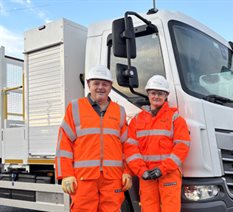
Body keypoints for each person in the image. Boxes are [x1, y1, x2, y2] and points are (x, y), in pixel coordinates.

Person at [55, 65, 132, 211]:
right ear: (88, 84)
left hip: (113, 179)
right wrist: (66, 174)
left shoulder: (119, 111)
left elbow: (127, 146)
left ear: (110, 87)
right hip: (84, 179)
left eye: (105, 84)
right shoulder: (75, 107)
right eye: (96, 83)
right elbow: (63, 144)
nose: (100, 87)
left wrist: (127, 172)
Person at [125, 75, 190, 212]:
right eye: (153, 93)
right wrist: (141, 171)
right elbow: (131, 149)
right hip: (146, 175)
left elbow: (181, 148)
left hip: (168, 174)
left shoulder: (175, 119)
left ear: (166, 96)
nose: (156, 96)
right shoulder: (137, 120)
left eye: (160, 93)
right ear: (148, 94)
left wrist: (163, 169)